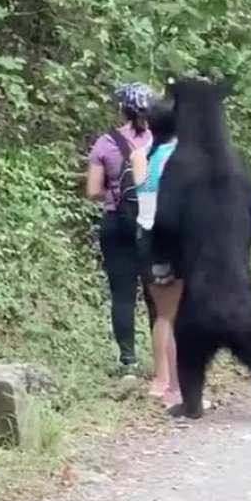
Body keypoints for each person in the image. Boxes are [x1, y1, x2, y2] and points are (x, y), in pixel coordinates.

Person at [86, 82, 154, 378]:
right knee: (158, 293)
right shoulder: (161, 141)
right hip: (154, 224)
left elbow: (91, 190)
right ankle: (166, 365)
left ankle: (128, 361)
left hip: (116, 223)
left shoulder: (106, 142)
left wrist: (115, 194)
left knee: (122, 294)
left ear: (121, 108)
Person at [130, 100, 182, 407]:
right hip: (170, 236)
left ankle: (162, 380)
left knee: (163, 314)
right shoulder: (178, 157)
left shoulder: (140, 155)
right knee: (179, 314)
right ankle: (177, 387)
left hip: (144, 233)